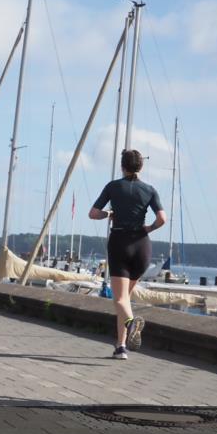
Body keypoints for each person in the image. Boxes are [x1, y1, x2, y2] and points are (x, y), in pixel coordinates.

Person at [89, 150, 166, 360]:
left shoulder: (113, 187)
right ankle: (121, 346)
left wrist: (109, 213)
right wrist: (148, 228)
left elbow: (93, 213)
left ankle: (131, 325)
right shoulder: (150, 189)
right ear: (141, 166)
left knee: (120, 299)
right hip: (142, 246)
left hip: (120, 243)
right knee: (125, 300)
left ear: (122, 166)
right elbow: (162, 219)